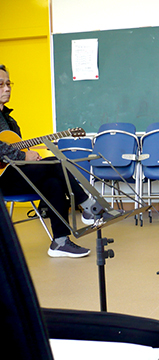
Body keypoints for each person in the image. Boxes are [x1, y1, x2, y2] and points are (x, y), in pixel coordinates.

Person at [0, 64, 105, 258]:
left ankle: (60, 241)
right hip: (3, 181)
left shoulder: (10, 121)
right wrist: (24, 156)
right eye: (0, 84)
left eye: (8, 83)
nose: (6, 88)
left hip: (16, 176)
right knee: (56, 164)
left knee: (53, 183)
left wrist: (29, 153)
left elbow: (17, 149)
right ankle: (88, 205)